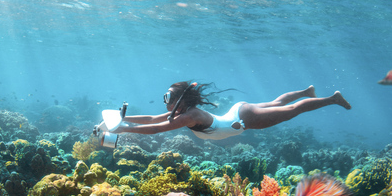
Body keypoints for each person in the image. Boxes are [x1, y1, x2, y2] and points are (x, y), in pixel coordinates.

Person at [113, 81, 351, 140]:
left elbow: (156, 128)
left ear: (180, 100)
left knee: (291, 110)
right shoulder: (184, 112)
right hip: (238, 112)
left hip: (244, 119)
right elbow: (153, 118)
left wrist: (124, 129)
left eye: (167, 97)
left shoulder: (190, 116)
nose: (164, 102)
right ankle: (306, 91)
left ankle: (332, 98)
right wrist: (125, 118)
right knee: (277, 103)